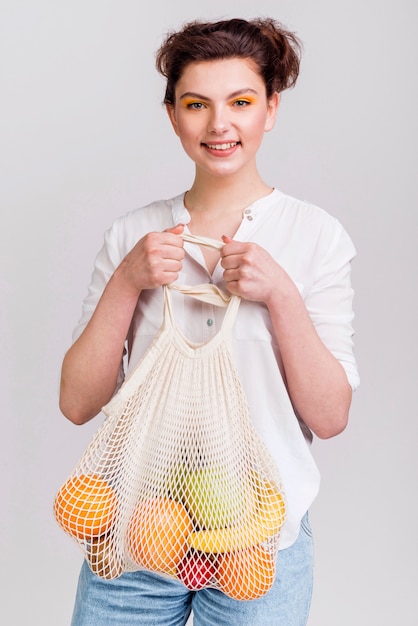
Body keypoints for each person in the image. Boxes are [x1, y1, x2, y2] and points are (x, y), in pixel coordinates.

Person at [59, 17, 359, 626]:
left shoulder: (315, 238)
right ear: (172, 115)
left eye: (241, 102)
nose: (219, 125)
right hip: (137, 531)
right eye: (197, 104)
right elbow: (77, 403)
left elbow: (331, 417)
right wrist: (127, 283)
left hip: (258, 540)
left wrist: (281, 296)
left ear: (270, 109)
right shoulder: (131, 236)